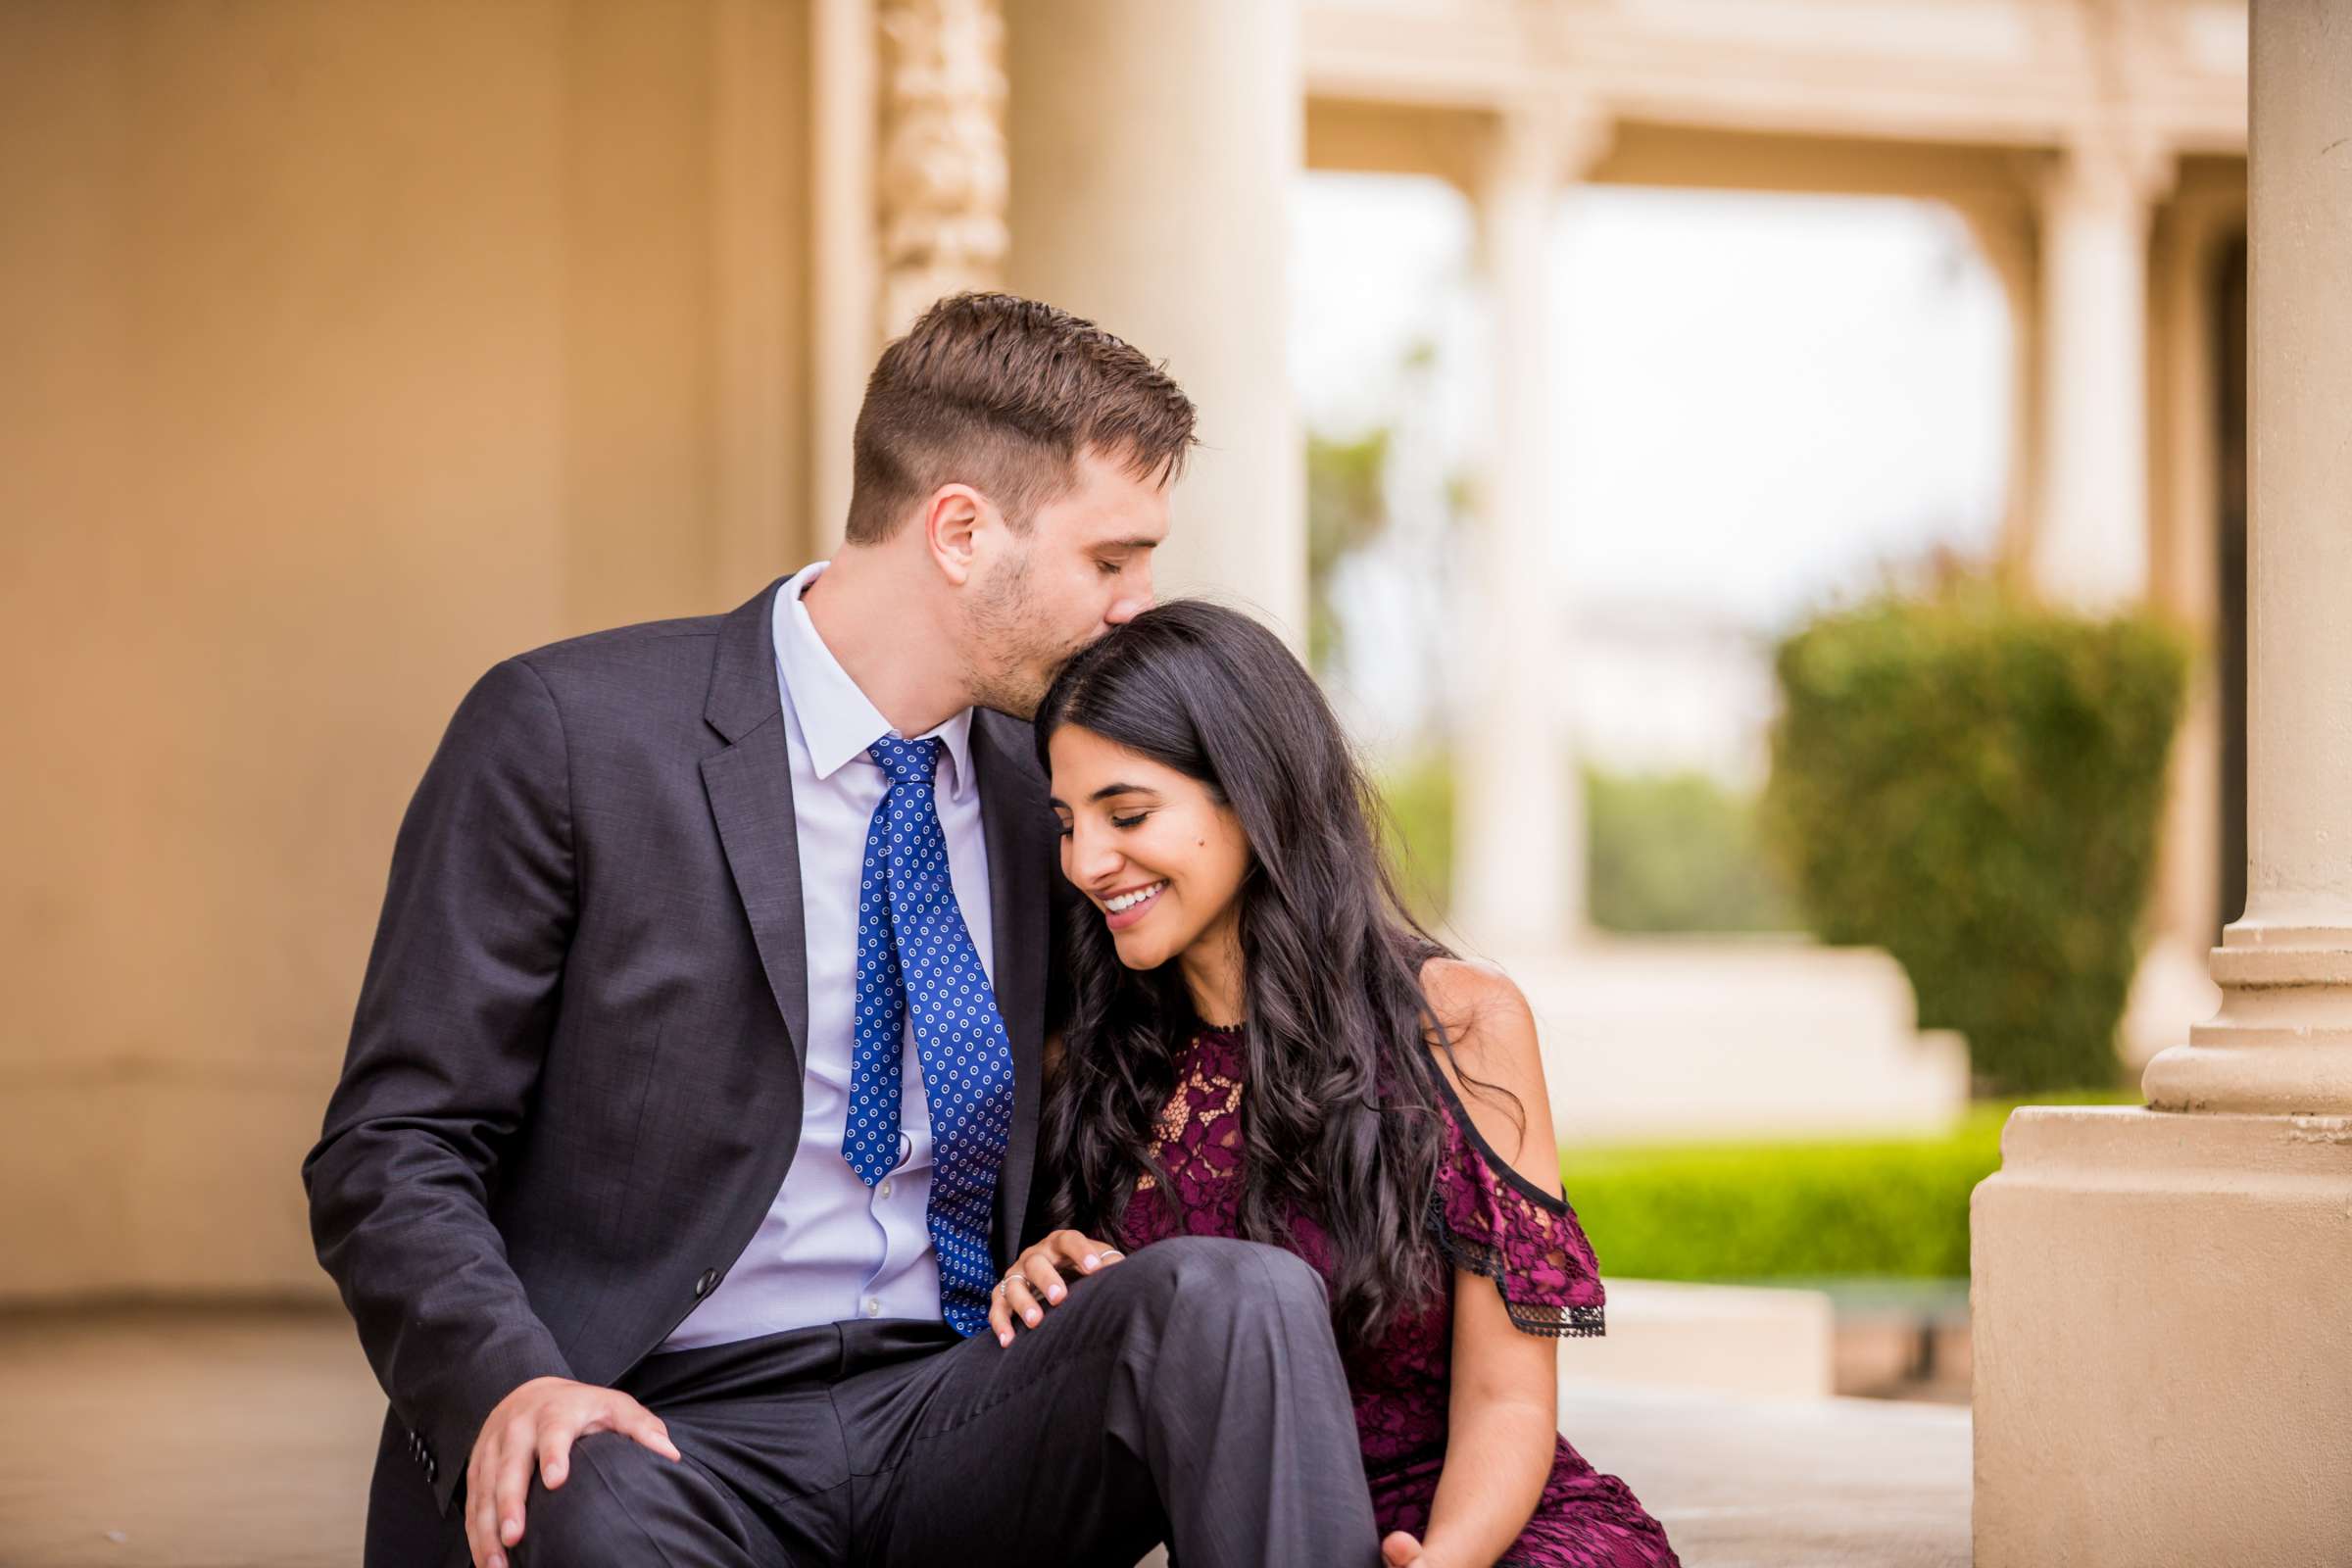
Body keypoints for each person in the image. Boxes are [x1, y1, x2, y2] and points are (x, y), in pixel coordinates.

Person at [304, 294, 1385, 1568]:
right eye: (1111, 559)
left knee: (1234, 1297)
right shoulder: (567, 736)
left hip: (958, 1401)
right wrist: (508, 1386)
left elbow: (1188, 1022)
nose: (1137, 607)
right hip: (652, 1432)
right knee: (578, 1495)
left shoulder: (1058, 787)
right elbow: (395, 1145)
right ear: (962, 531)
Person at [998, 600, 1682, 1568]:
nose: (1087, 862)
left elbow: (1510, 1396)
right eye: (1067, 824)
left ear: (1250, 793)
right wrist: (1041, 1283)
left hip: (1481, 1530)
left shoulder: (1460, 1022)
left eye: (1128, 814)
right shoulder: (1089, 1056)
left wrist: (1444, 1560)